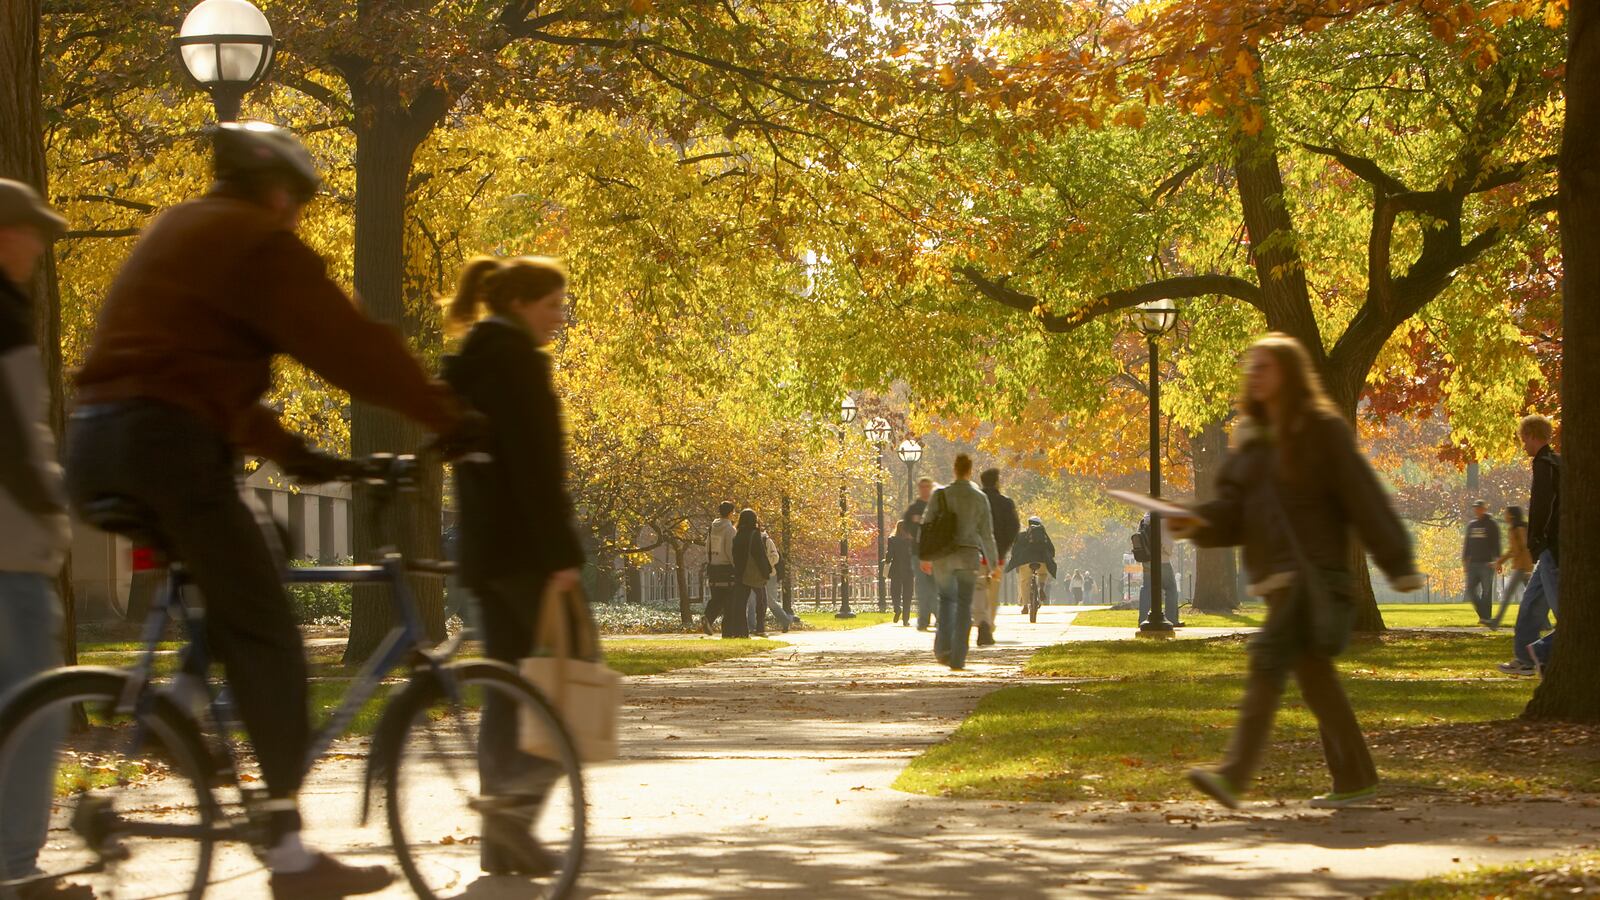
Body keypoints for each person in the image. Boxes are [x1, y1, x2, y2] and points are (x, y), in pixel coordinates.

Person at [64, 123, 477, 898]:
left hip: (100, 444)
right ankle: (287, 853)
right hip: (166, 446)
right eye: (299, 203)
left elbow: (195, 376)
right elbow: (351, 345)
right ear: (281, 191)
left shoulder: (180, 228)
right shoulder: (258, 243)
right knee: (270, 636)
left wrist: (298, 455)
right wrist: (447, 415)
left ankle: (184, 697)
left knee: (259, 545)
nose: (296, 218)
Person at [1171, 333, 1422, 810]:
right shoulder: (1250, 445)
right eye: (1252, 368)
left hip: (1313, 575)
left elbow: (1361, 496)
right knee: (1315, 679)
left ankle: (1234, 776)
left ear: (1288, 372)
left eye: (1264, 366)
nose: (1255, 375)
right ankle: (1356, 778)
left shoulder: (1319, 431)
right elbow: (1233, 515)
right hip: (1277, 580)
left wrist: (1397, 561)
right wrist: (1197, 522)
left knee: (1268, 658)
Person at [441, 255, 588, 875]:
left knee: (507, 692)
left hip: (485, 555)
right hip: (528, 554)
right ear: (522, 304)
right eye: (553, 304)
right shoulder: (519, 367)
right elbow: (534, 471)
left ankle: (501, 845)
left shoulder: (470, 364)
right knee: (573, 686)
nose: (560, 317)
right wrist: (561, 555)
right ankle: (515, 815)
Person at [0, 180, 84, 900]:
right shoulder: (3, 314)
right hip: (9, 544)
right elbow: (14, 437)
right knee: (36, 701)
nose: (39, 248)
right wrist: (52, 509)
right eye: (32, 234)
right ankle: (15, 865)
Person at [920, 454, 998, 670]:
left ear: (954, 469)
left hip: (944, 556)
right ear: (969, 470)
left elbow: (927, 524)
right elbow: (986, 533)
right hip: (968, 555)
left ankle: (943, 648)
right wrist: (992, 563)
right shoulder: (979, 497)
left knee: (945, 600)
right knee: (965, 604)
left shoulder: (941, 494)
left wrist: (924, 555)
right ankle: (959, 655)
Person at [1499, 415, 1560, 676]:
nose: (1523, 445)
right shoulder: (1552, 462)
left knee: (1562, 609)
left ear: (1534, 436)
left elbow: (1543, 507)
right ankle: (1525, 658)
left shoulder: (1545, 465)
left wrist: (1536, 540)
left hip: (1550, 547)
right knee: (1531, 604)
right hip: (1546, 547)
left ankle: (1544, 651)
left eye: (1524, 439)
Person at [975, 468, 1019, 646]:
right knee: (993, 593)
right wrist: (1004, 548)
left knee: (978, 590)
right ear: (997, 482)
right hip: (998, 555)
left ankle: (981, 623)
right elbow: (1014, 528)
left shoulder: (975, 501)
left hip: (976, 553)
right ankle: (989, 625)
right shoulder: (1006, 503)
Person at [905, 477, 939, 631]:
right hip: (917, 553)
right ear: (919, 488)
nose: (925, 489)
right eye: (922, 486)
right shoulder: (913, 508)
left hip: (936, 553)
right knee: (922, 586)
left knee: (936, 586)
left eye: (928, 486)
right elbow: (907, 528)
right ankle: (924, 619)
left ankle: (939, 617)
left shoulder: (937, 506)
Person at [1137, 512, 1184, 626]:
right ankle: (1172, 619)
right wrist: (1168, 552)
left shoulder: (1144, 520)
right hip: (1162, 560)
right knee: (1171, 589)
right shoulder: (1164, 520)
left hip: (1147, 560)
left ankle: (1142, 619)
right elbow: (1167, 543)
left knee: (1147, 589)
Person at [728, 509, 768, 639]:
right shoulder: (754, 534)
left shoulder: (738, 535)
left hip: (740, 572)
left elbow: (734, 554)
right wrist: (766, 571)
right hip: (754, 573)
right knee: (761, 601)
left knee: (740, 603)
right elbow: (760, 555)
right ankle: (760, 627)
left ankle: (740, 631)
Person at [1491, 506, 1532, 630]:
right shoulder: (1513, 529)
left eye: (1506, 514)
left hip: (1522, 567)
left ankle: (1496, 622)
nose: (1505, 516)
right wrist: (1500, 561)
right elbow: (1512, 550)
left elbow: (1525, 546)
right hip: (1520, 566)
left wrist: (1528, 566)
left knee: (1508, 594)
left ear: (1512, 515)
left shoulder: (1520, 529)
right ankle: (1545, 623)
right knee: (1532, 595)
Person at [1461, 500, 1501, 627]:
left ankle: (1486, 617)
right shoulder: (1471, 525)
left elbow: (1497, 543)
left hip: (1487, 563)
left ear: (1484, 508)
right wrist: (1465, 560)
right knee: (1470, 590)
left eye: (1479, 508)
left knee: (1486, 591)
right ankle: (1484, 615)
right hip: (1473, 563)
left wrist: (1498, 561)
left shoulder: (1491, 524)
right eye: (1475, 508)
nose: (1477, 510)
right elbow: (1467, 544)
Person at [1006, 516, 1057, 608]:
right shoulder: (1044, 536)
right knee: (1043, 574)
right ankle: (1041, 587)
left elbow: (1014, 551)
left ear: (1028, 523)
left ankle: (1025, 606)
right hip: (1042, 561)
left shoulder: (1021, 535)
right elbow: (1052, 550)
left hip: (1026, 561)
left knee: (1024, 582)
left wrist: (1017, 561)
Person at [703, 501, 736, 635]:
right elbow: (730, 550)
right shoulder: (730, 530)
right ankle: (727, 631)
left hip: (713, 567)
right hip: (726, 568)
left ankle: (708, 618)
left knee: (717, 598)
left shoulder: (712, 528)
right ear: (730, 513)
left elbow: (707, 547)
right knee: (729, 601)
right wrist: (735, 565)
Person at [758, 528, 796, 633]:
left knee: (770, 601)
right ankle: (755, 626)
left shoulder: (766, 540)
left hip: (770, 575)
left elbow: (775, 557)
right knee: (754, 601)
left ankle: (785, 620)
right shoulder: (753, 539)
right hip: (758, 575)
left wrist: (764, 565)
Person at [886, 518, 917, 626]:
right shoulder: (911, 540)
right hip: (909, 570)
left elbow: (889, 555)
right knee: (907, 595)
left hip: (896, 569)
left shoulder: (892, 539)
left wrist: (886, 561)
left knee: (895, 592)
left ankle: (897, 608)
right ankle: (905, 620)